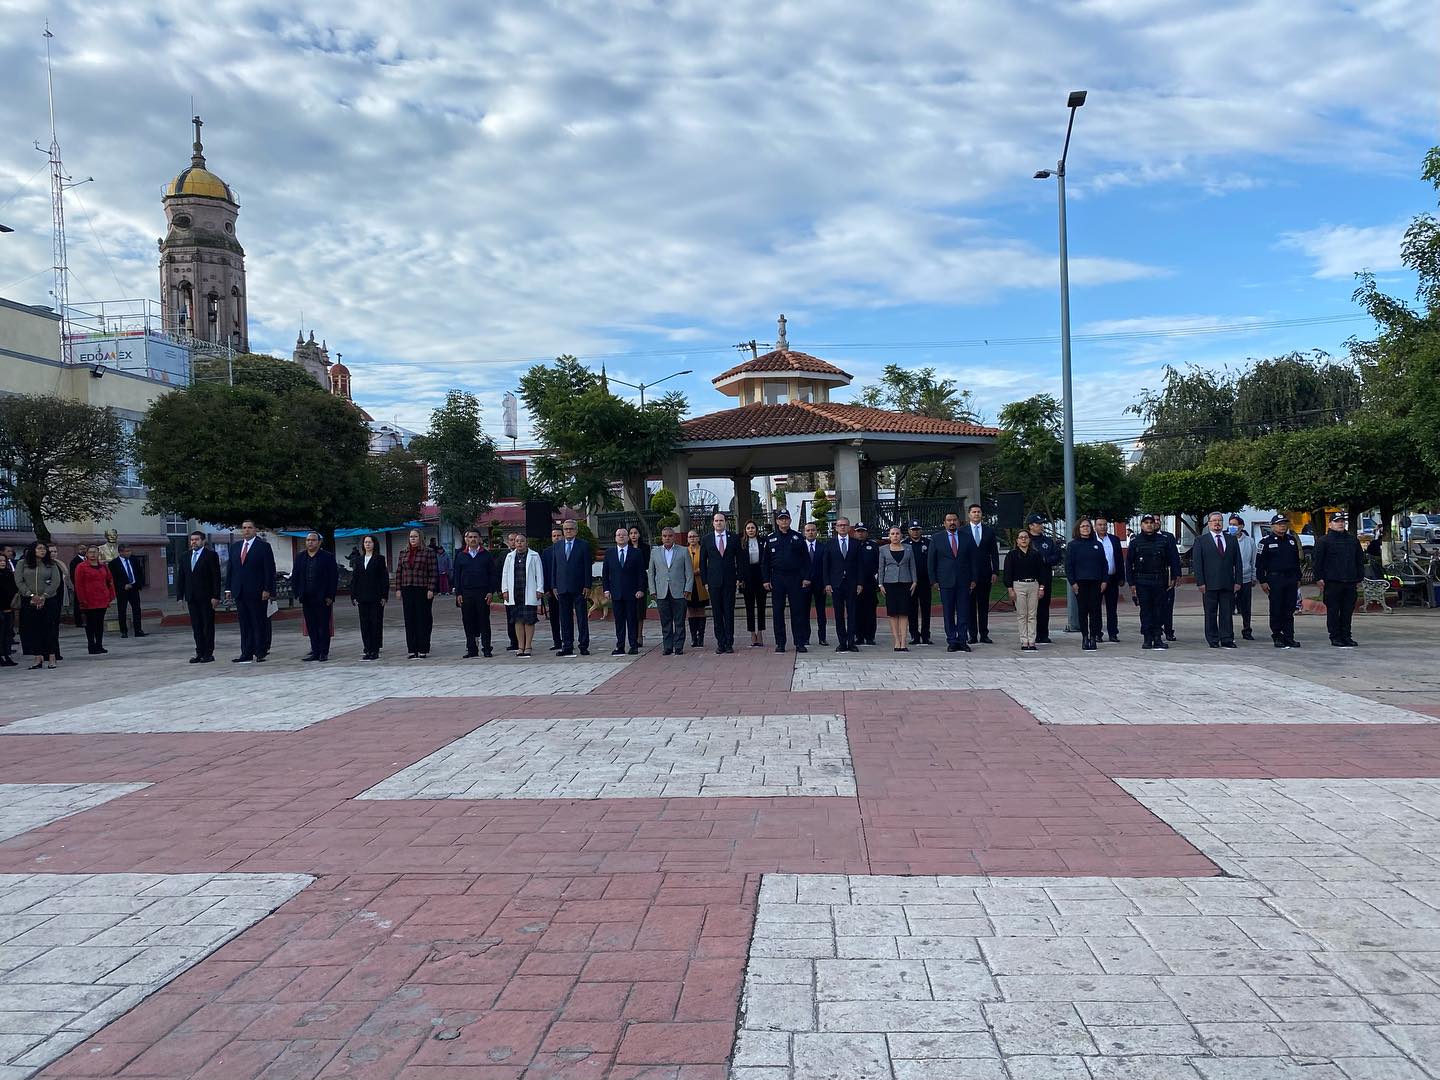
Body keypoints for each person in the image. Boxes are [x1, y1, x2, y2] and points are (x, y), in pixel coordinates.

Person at [225, 521, 276, 664]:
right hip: (239, 591)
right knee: (244, 623)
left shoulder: (263, 547)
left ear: (255, 530)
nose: (246, 530)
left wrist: (267, 588)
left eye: (249, 528)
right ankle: (246, 652)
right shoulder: (235, 547)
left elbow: (269, 569)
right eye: (244, 528)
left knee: (258, 622)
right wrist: (228, 588)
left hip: (257, 591)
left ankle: (260, 651)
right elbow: (231, 569)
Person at [1127, 514, 1180, 651]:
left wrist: (1175, 576)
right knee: (1145, 611)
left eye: (1151, 522)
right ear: (1141, 525)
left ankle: (1157, 637)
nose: (1149, 525)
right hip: (1142, 581)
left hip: (1159, 580)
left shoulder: (1163, 541)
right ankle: (1147, 638)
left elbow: (1173, 559)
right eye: (1146, 522)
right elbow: (1129, 564)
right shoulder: (1135, 542)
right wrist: (1131, 583)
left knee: (1159, 610)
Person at [1313, 511, 1365, 648]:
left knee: (1347, 611)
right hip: (1332, 582)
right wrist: (1318, 578)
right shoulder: (1324, 541)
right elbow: (1317, 562)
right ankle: (1335, 637)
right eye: (1337, 521)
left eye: (1342, 521)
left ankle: (1346, 636)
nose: (1340, 523)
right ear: (1330, 524)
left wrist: (1359, 577)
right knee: (1333, 611)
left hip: (1350, 581)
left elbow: (1359, 560)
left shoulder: (1352, 540)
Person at [1193, 511, 1242, 649]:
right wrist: (1200, 582)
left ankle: (1227, 638)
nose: (1217, 523)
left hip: (1227, 583)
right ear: (1209, 523)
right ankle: (1213, 639)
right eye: (1214, 520)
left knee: (1226, 612)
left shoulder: (1231, 539)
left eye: (1219, 520)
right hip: (1209, 584)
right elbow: (1197, 564)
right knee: (1210, 612)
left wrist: (1238, 581)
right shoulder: (1201, 540)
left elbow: (1237, 562)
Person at [928, 511, 974, 652]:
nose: (952, 522)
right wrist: (934, 580)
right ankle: (952, 640)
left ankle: (962, 640)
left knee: (963, 612)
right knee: (948, 613)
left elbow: (973, 560)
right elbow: (931, 561)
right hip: (945, 581)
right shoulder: (936, 538)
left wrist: (973, 579)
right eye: (949, 520)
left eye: (954, 520)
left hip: (963, 581)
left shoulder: (967, 537)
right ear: (944, 523)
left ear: (958, 522)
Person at [765, 508, 809, 653]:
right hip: (777, 578)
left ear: (790, 520)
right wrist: (766, 579)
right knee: (778, 611)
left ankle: (799, 642)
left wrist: (806, 577)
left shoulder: (798, 537)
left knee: (798, 611)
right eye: (781, 519)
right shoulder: (770, 538)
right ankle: (780, 643)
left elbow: (806, 560)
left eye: (786, 518)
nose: (784, 521)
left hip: (795, 578)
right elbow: (765, 562)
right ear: (777, 521)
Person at [1255, 513, 1302, 649]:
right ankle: (1277, 636)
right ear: (1272, 526)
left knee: (1289, 609)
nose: (1282, 526)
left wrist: (1298, 578)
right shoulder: (1265, 542)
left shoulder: (1291, 540)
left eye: (1284, 523)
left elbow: (1296, 562)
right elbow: (1259, 565)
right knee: (1276, 609)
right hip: (1274, 579)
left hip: (1290, 579)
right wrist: (1263, 581)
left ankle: (1289, 637)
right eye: (1279, 524)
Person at [175, 531, 221, 663]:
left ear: (203, 541)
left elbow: (215, 577)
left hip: (207, 597)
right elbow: (181, 577)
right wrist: (180, 596)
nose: (193, 542)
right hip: (191, 597)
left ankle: (208, 653)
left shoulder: (210, 555)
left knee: (207, 625)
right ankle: (199, 652)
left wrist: (215, 596)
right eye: (192, 540)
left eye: (196, 540)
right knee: (196, 626)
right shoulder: (185, 556)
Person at [292, 532, 338, 662]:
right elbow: (295, 575)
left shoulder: (327, 557)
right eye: (308, 540)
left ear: (319, 542)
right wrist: (297, 592)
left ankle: (324, 652)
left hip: (323, 597)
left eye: (313, 540)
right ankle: (315, 651)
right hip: (306, 597)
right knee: (311, 626)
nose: (310, 542)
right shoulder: (301, 557)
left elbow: (333, 577)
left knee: (323, 625)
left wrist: (330, 595)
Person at [393, 528, 438, 659]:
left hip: (422, 588)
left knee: (423, 619)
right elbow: (399, 572)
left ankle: (423, 648)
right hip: (407, 588)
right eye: (411, 537)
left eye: (415, 536)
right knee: (410, 619)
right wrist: (398, 589)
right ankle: (412, 649)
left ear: (421, 538)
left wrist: (431, 589)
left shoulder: (428, 552)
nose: (413, 539)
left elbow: (433, 572)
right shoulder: (403, 552)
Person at [453, 528, 499, 658]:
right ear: (466, 539)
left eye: (475, 537)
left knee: (484, 620)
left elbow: (492, 575)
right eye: (470, 537)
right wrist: (458, 593)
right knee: (468, 621)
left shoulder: (486, 555)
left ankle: (487, 648)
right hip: (466, 593)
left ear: (479, 539)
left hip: (482, 592)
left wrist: (490, 591)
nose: (472, 539)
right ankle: (471, 649)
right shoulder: (461, 555)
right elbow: (457, 576)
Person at [648, 525, 694, 655]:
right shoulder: (655, 552)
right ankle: (667, 646)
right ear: (661, 538)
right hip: (661, 591)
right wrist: (652, 590)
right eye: (664, 536)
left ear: (674, 537)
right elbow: (651, 573)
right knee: (665, 621)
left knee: (679, 621)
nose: (667, 538)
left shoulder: (683, 551)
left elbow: (689, 573)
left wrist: (688, 589)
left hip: (679, 591)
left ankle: (678, 646)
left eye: (669, 536)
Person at [17, 542, 63, 669]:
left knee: (50, 629)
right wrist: (31, 595)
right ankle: (38, 657)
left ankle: (52, 657)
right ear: (33, 550)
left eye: (44, 549)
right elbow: (19, 581)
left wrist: (44, 596)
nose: (43, 551)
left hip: (48, 600)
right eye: (39, 548)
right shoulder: (22, 564)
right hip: (30, 601)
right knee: (34, 629)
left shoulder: (51, 564)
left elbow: (55, 582)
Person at [1065, 518, 1108, 651]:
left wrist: (1104, 580)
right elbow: (1069, 566)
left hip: (1096, 582)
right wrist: (1073, 582)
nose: (1085, 528)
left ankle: (1094, 637)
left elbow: (1104, 564)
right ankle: (1085, 637)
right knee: (1083, 611)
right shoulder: (1073, 545)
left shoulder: (1097, 545)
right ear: (1078, 529)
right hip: (1080, 583)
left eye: (1088, 526)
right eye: (1083, 526)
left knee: (1095, 611)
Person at [700, 512, 740, 653]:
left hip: (729, 581)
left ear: (725, 522)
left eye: (721, 520)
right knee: (717, 613)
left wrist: (739, 579)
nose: (719, 523)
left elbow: (739, 560)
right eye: (716, 520)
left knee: (729, 613)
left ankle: (729, 643)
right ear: (713, 523)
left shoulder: (734, 538)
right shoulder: (706, 539)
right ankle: (720, 643)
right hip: (714, 582)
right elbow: (702, 562)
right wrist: (705, 581)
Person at [551, 519, 592, 657]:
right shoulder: (557, 546)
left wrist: (587, 585)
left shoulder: (583, 545)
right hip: (562, 587)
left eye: (571, 529)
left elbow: (587, 567)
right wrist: (554, 585)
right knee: (564, 618)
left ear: (576, 530)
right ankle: (567, 645)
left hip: (579, 587)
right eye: (566, 529)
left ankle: (583, 645)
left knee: (581, 617)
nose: (568, 531)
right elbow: (554, 567)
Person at [823, 516, 863, 652]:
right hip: (836, 584)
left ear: (849, 527)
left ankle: (851, 642)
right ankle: (842, 642)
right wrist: (827, 583)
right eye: (839, 525)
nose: (842, 527)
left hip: (852, 583)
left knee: (852, 613)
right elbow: (826, 566)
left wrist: (860, 583)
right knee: (838, 614)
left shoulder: (856, 543)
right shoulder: (829, 544)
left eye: (845, 525)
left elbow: (860, 566)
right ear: (835, 528)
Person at [602, 527, 645, 654]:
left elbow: (641, 573)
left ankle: (633, 645)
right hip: (616, 593)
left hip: (632, 593)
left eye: (623, 535)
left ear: (627, 538)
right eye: (618, 535)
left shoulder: (636, 553)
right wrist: (606, 590)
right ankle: (620, 645)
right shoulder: (609, 553)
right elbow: (605, 574)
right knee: (619, 621)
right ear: (615, 538)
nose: (621, 537)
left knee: (632, 619)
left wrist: (641, 589)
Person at [1003, 528, 1047, 651]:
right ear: (1017, 541)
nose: (1023, 539)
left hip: (1033, 585)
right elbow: (1007, 573)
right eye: (1021, 537)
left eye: (1026, 537)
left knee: (1032, 614)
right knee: (1022, 615)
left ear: (1029, 540)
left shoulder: (1036, 554)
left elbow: (1042, 572)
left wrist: (1041, 587)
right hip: (1018, 586)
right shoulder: (1011, 555)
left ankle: (1032, 640)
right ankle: (1024, 640)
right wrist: (1010, 589)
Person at [502, 533, 544, 657]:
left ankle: (528, 646)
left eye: (522, 541)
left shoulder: (534, 556)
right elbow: (505, 574)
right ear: (514, 543)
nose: (519, 543)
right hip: (515, 591)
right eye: (517, 541)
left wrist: (539, 589)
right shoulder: (510, 556)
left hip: (529, 591)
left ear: (526, 543)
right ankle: (520, 646)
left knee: (529, 620)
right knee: (518, 620)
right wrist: (505, 590)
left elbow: (539, 574)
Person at [1022, 515, 1062, 644]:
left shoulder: (1048, 541)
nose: (1041, 526)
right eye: (1038, 524)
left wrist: (1046, 560)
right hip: (1029, 578)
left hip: (1044, 578)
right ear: (1031, 526)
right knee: (1030, 608)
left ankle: (1043, 634)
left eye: (1041, 523)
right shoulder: (1025, 539)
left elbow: (1057, 555)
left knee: (1044, 606)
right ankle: (1030, 634)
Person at [963, 505, 999, 645]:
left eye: (978, 512)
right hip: (969, 575)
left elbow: (994, 553)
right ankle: (972, 635)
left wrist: (995, 571)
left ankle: (984, 634)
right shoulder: (963, 531)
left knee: (983, 605)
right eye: (974, 512)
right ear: (969, 514)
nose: (976, 514)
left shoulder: (989, 531)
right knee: (970, 606)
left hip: (985, 573)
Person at [877, 526, 917, 651]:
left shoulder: (909, 548)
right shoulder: (883, 549)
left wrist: (915, 581)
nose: (895, 536)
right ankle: (896, 641)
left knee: (904, 613)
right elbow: (881, 567)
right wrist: (880, 584)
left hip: (906, 583)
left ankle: (904, 642)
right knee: (893, 613)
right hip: (890, 583)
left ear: (901, 535)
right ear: (889, 536)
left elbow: (912, 566)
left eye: (897, 533)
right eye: (892, 534)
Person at [350, 534, 388, 661]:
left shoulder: (380, 559)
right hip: (362, 596)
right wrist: (353, 595)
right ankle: (367, 648)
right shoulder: (358, 560)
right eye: (365, 542)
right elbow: (355, 578)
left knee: (375, 623)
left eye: (370, 542)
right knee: (364, 623)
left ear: (374, 544)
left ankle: (375, 649)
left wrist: (384, 595)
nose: (367, 544)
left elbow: (384, 578)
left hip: (376, 596)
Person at [73, 546, 116, 655]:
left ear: (98, 554)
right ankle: (91, 645)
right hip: (89, 599)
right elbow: (78, 585)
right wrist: (82, 599)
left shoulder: (103, 567)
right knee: (91, 624)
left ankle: (99, 645)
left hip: (102, 599)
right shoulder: (81, 567)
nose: (93, 554)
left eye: (95, 552)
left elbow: (109, 580)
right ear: (86, 554)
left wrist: (111, 595)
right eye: (90, 552)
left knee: (100, 623)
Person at [1093, 515, 1125, 643]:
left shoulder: (1114, 539)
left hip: (1112, 578)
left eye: (1105, 524)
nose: (1103, 527)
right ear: (1095, 526)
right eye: (1100, 524)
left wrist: (1121, 577)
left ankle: (1113, 633)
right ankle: (1097, 633)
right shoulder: (1091, 540)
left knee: (1112, 608)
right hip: (1096, 580)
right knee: (1096, 608)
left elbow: (1119, 559)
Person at [109, 543, 148, 638]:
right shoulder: (114, 563)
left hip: (134, 588)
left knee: (137, 609)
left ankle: (138, 630)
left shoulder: (134, 560)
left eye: (129, 551)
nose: (129, 553)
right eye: (127, 551)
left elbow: (139, 573)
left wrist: (138, 584)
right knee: (122, 610)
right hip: (122, 590)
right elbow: (113, 578)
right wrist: (122, 585)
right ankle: (123, 631)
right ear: (121, 552)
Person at [1228, 514, 1258, 640]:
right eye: (1230, 524)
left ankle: (1247, 630)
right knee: (1228, 607)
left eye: (1235, 525)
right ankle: (1227, 631)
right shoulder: (1226, 539)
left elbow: (1253, 560)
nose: (1232, 527)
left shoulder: (1249, 541)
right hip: (1229, 579)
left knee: (1245, 607)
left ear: (1241, 526)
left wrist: (1253, 576)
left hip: (1245, 578)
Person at [739, 519, 767, 647]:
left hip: (760, 576)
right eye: (748, 528)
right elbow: (738, 564)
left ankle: (760, 632)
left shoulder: (763, 542)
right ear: (745, 530)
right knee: (749, 606)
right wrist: (740, 579)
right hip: (747, 577)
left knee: (761, 606)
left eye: (753, 528)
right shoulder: (741, 543)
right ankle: (752, 633)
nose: (751, 530)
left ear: (756, 529)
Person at [904, 521, 932, 645]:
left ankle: (926, 635)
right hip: (910, 582)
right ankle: (914, 635)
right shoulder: (904, 544)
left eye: (917, 529)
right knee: (912, 609)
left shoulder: (928, 543)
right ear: (909, 531)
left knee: (926, 609)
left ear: (921, 530)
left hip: (925, 581)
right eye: (913, 529)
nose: (915, 531)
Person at [853, 523, 880, 645]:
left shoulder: (873, 546)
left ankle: (870, 636)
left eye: (862, 531)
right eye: (858, 531)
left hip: (870, 583)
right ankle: (858, 636)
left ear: (866, 533)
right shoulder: (851, 545)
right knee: (856, 610)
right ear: (855, 532)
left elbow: (879, 564)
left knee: (870, 611)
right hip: (855, 583)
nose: (860, 533)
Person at [802, 520, 828, 646]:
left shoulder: (823, 547)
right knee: (805, 612)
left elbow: (826, 567)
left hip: (819, 584)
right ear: (804, 532)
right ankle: (806, 637)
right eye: (808, 530)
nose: (810, 532)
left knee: (821, 612)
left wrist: (825, 583)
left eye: (813, 530)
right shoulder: (800, 547)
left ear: (816, 532)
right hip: (804, 584)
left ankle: (822, 637)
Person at [1155, 519, 1180, 641]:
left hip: (1167, 576)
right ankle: (1156, 630)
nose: (1155, 522)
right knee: (1154, 606)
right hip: (1152, 578)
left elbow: (1174, 556)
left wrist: (1176, 575)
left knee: (1168, 605)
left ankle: (1169, 630)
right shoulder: (1141, 538)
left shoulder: (1168, 537)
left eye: (1157, 520)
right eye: (1152, 520)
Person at [540, 524, 564, 650]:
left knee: (564, 616)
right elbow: (544, 571)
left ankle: (567, 639)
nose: (556, 538)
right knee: (553, 617)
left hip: (565, 589)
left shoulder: (566, 549)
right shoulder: (547, 552)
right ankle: (557, 641)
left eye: (558, 536)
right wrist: (546, 589)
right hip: (550, 590)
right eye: (554, 536)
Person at [686, 528, 709, 649]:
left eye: (694, 536)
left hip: (700, 583)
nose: (692, 539)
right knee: (691, 610)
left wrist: (697, 571)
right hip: (689, 584)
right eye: (690, 537)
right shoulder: (685, 551)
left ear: (698, 538)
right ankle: (693, 637)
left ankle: (701, 637)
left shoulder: (703, 550)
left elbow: (707, 564)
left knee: (700, 609)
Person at [629, 525, 651, 646]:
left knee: (640, 611)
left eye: (635, 533)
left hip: (641, 581)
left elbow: (647, 564)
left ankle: (639, 635)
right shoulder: (626, 548)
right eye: (631, 533)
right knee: (630, 611)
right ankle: (632, 635)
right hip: (628, 583)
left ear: (639, 534)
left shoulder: (645, 548)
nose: (633, 535)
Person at [502, 534, 521, 651]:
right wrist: (503, 590)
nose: (514, 542)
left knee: (523, 618)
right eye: (512, 540)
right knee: (511, 618)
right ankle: (513, 641)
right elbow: (501, 573)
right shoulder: (505, 555)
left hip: (522, 591)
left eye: (516, 540)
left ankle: (523, 642)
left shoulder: (530, 555)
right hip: (509, 591)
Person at [0, 550, 17, 667]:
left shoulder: (10, 574)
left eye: (3, 561)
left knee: (7, 634)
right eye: (0, 561)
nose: (2, 563)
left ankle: (7, 654)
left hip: (9, 608)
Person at [68, 544, 87, 628]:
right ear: (77, 550)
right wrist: (76, 585)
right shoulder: (75, 561)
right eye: (81, 549)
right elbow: (73, 575)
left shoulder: (88, 559)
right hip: (79, 586)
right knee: (78, 604)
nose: (83, 550)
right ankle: (78, 622)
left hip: (88, 586)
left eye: (84, 549)